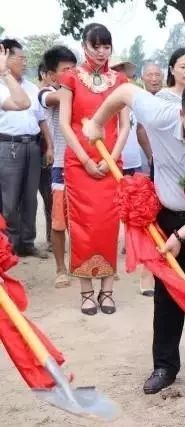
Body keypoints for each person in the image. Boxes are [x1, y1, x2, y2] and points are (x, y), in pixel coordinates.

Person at [84, 79, 185, 393]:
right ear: (182, 114)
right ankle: (165, 366)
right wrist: (98, 123)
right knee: (168, 293)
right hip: (166, 216)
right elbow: (124, 92)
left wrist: (181, 236)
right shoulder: (160, 115)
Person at [58, 23, 130, 315]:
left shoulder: (120, 80)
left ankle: (107, 290)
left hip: (110, 162)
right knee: (82, 225)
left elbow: (124, 126)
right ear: (84, 46)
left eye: (106, 46)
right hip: (79, 164)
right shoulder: (70, 78)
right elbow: (65, 123)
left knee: (109, 225)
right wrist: (86, 160)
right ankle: (86, 291)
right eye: (95, 46)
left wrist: (111, 158)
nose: (101, 52)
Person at [0, 39, 51, 259]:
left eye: (25, 58)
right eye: (20, 58)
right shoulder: (1, 86)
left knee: (30, 198)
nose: (25, 62)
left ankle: (27, 243)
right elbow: (20, 104)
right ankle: (10, 244)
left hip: (32, 144)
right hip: (8, 146)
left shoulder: (31, 87)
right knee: (9, 200)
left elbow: (41, 119)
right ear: (6, 58)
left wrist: (49, 146)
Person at [38, 45, 78, 288]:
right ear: (52, 75)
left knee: (83, 220)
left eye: (74, 69)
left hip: (83, 165)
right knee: (59, 222)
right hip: (62, 166)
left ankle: (82, 263)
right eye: (66, 70)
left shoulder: (80, 92)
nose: (72, 74)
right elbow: (52, 98)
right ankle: (61, 268)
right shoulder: (48, 93)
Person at [36, 62, 54, 253]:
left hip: (47, 149)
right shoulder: (41, 94)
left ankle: (51, 238)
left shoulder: (52, 92)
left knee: (50, 196)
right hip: (38, 148)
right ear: (44, 74)